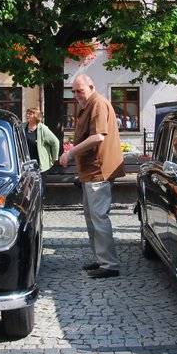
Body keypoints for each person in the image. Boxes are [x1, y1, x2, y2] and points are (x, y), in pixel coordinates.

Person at [59, 74, 125, 278]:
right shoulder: (89, 104)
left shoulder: (97, 103)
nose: (77, 94)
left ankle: (109, 264)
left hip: (99, 170)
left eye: (80, 90)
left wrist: (70, 152)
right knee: (91, 216)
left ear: (91, 86)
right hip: (90, 171)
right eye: (74, 91)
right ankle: (101, 259)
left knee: (99, 217)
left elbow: (98, 136)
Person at [23, 107, 60, 173]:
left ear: (36, 116)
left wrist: (54, 158)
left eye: (30, 114)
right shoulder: (22, 126)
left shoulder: (42, 128)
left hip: (39, 164)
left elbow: (55, 142)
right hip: (25, 163)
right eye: (27, 113)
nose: (27, 115)